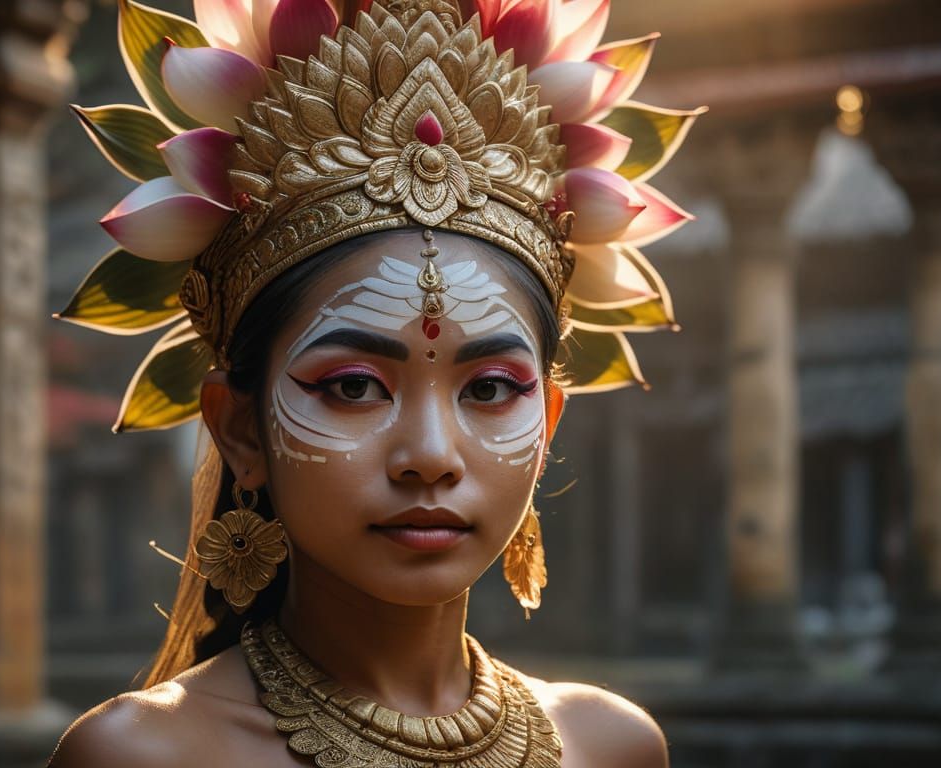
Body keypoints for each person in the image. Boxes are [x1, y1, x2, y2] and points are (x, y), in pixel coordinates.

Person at [49, 0, 700, 764]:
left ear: (549, 421)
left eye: (489, 389)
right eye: (354, 387)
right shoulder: (143, 756)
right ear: (240, 430)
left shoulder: (613, 747)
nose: (429, 455)